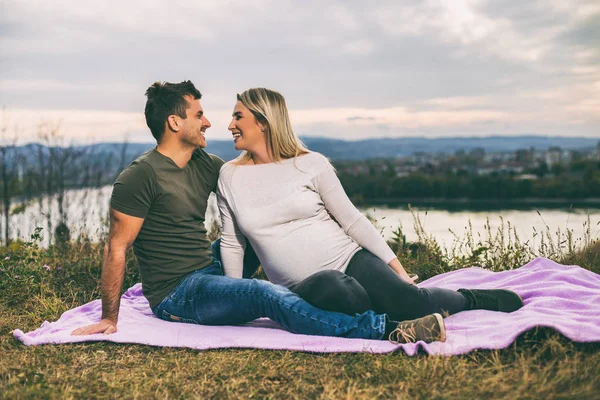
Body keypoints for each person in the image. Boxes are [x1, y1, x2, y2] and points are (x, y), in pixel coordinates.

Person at [71, 80, 446, 345]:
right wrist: (109, 317)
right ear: (174, 122)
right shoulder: (139, 177)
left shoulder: (209, 166)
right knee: (263, 293)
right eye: (199, 114)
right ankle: (387, 329)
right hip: (179, 292)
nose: (209, 122)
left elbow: (243, 220)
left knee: (252, 232)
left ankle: (297, 290)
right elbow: (115, 249)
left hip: (209, 268)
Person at [217, 87, 524, 324]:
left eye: (238, 116)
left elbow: (351, 220)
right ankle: (385, 317)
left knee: (412, 304)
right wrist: (234, 298)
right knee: (340, 291)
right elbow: (232, 243)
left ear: (264, 122)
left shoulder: (311, 164)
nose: (230, 124)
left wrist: (398, 271)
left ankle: (468, 299)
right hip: (303, 286)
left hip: (351, 258)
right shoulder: (230, 177)